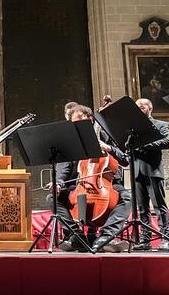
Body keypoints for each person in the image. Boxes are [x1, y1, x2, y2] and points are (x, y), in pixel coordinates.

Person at [51, 102, 132, 253]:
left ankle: (105, 237)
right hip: (80, 184)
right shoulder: (70, 140)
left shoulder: (108, 134)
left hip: (108, 182)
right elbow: (65, 166)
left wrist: (109, 148)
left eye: (81, 119)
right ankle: (77, 236)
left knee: (127, 197)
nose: (78, 125)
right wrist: (59, 183)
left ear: (90, 118)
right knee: (53, 198)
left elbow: (125, 159)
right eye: (74, 123)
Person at [131, 98, 169, 251]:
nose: (139, 109)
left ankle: (166, 239)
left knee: (159, 206)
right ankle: (145, 240)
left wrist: (145, 145)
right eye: (137, 107)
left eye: (142, 106)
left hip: (153, 170)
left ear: (150, 108)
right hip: (136, 171)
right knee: (142, 208)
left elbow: (167, 142)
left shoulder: (160, 125)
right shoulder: (132, 128)